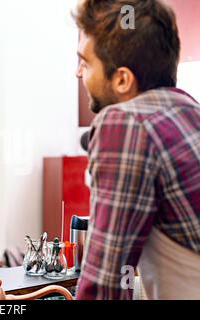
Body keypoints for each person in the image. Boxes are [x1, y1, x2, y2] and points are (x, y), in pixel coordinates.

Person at [73, 0, 200, 299]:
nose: (78, 73)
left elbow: (105, 286)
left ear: (122, 79)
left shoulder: (126, 123)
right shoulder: (189, 112)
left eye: (86, 62)